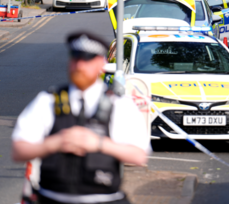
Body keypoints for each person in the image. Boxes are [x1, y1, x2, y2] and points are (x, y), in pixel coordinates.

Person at [12, 32, 149, 204]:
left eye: (87, 60)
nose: (79, 65)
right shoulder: (47, 100)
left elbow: (139, 156)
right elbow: (18, 151)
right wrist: (56, 142)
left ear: (101, 63)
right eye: (75, 58)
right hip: (51, 198)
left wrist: (98, 144)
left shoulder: (119, 105)